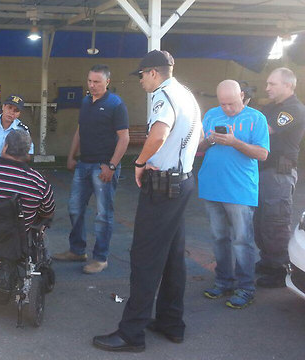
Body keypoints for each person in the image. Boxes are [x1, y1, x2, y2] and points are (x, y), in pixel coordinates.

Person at [93, 50, 201, 352]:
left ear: (153, 73)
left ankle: (132, 333)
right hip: (183, 181)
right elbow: (198, 135)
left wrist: (140, 162)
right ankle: (170, 322)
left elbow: (159, 133)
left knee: (145, 258)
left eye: (141, 75)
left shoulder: (163, 96)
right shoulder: (186, 94)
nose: (140, 81)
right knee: (172, 256)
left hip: (163, 186)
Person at [197, 80, 269, 309]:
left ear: (242, 95)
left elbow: (262, 154)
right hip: (212, 186)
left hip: (240, 190)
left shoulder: (256, 118)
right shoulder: (211, 114)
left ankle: (246, 288)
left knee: (242, 241)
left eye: (232, 103)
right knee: (219, 238)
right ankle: (223, 281)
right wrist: (209, 140)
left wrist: (234, 142)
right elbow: (198, 146)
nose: (227, 108)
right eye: (223, 104)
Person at [52, 64, 129, 274]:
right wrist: (71, 156)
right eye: (90, 81)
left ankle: (101, 258)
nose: (92, 85)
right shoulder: (86, 101)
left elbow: (124, 138)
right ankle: (77, 250)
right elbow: (80, 130)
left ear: (107, 82)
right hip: (83, 165)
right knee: (74, 208)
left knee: (103, 214)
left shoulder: (116, 104)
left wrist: (112, 166)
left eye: (97, 82)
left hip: (103, 166)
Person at [254, 68, 305, 288]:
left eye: (272, 84)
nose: (267, 88)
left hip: (278, 174)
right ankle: (268, 261)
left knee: (275, 222)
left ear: (288, 85)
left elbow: (264, 130)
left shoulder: (293, 109)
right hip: (265, 171)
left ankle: (280, 269)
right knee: (261, 220)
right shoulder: (272, 107)